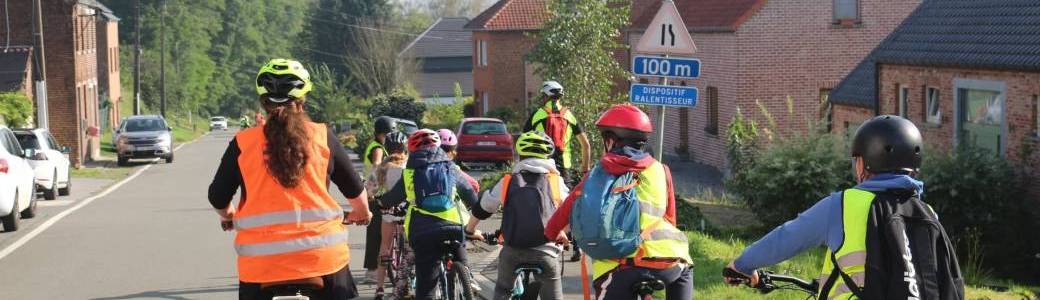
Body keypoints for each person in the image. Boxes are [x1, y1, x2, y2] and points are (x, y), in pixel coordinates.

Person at [724, 115, 965, 300]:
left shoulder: (843, 204)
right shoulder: (927, 212)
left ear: (864, 163)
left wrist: (741, 265)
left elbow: (786, 237)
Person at [207, 58, 373, 300]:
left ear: (263, 102)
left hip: (261, 267)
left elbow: (218, 196)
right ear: (302, 100)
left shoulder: (243, 143)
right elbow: (355, 190)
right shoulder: (322, 136)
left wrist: (229, 216)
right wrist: (362, 213)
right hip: (323, 261)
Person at [544, 104, 693, 300]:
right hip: (668, 260)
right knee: (685, 270)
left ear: (610, 140)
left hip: (619, 267)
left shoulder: (597, 174)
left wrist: (551, 234)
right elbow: (670, 218)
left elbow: (564, 213)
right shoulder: (661, 170)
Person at [379, 129, 484, 299]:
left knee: (426, 287)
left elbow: (392, 198)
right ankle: (466, 275)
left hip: (423, 231)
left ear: (411, 150)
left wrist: (380, 203)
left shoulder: (409, 173)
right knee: (459, 243)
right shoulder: (450, 167)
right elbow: (471, 195)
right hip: (453, 226)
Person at [467, 131, 569, 300]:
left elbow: (484, 207)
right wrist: (563, 232)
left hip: (513, 251)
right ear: (547, 156)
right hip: (546, 251)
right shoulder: (556, 181)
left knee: (502, 290)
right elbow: (570, 210)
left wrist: (470, 230)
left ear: (519, 155)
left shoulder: (508, 180)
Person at [523, 81, 591, 261]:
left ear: (544, 96)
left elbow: (523, 144)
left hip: (542, 166)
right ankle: (576, 245)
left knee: (539, 200)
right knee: (567, 205)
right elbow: (586, 145)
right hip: (565, 167)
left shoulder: (537, 115)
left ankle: (540, 240)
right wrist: (585, 170)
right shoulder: (569, 115)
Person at [366, 131, 411, 300]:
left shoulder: (381, 169)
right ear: (404, 148)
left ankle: (379, 288)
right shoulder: (409, 167)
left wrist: (373, 197)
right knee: (408, 250)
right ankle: (404, 283)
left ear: (386, 149)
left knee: (384, 248)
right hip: (407, 213)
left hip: (388, 213)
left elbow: (370, 190)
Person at [363, 115, 397, 281]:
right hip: (375, 193)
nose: (389, 139)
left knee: (377, 232)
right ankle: (371, 271)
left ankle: (376, 268)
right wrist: (382, 172)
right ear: (380, 134)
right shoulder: (377, 148)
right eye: (387, 135)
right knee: (376, 233)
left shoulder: (377, 145)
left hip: (376, 192)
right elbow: (376, 164)